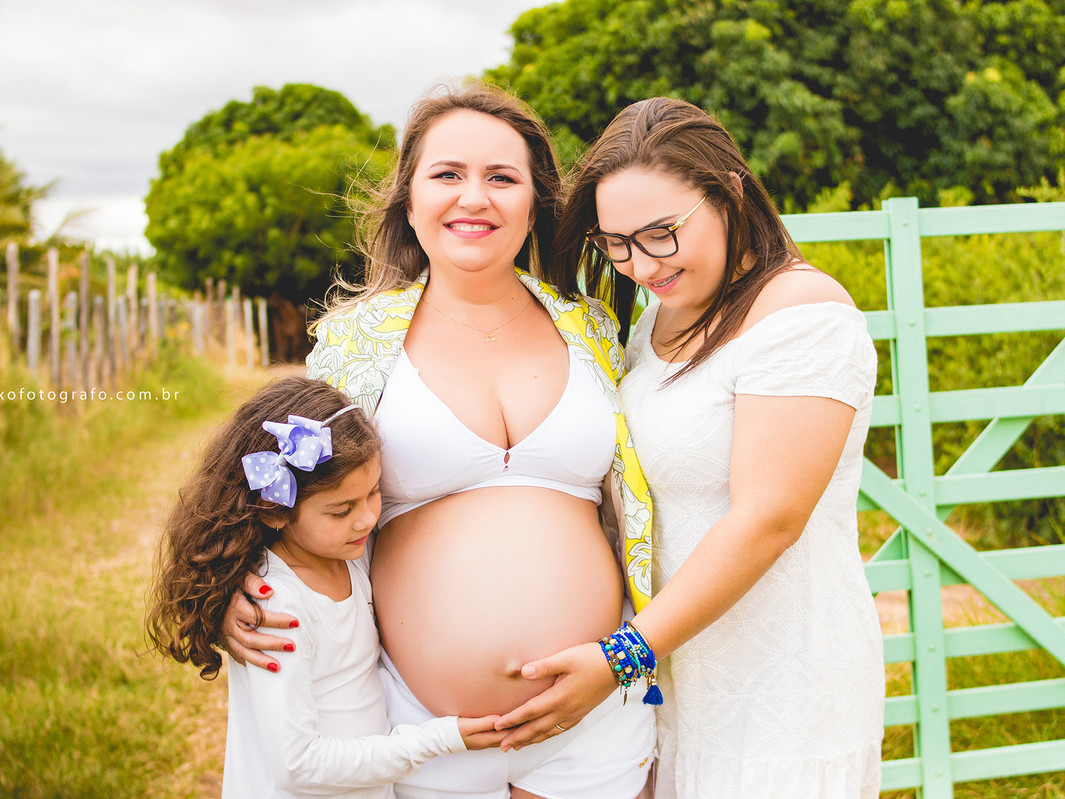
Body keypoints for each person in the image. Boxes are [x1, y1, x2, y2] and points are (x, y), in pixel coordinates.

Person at [220, 83, 657, 799]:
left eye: (502, 177)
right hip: (417, 729)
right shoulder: (355, 341)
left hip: (596, 717)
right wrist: (233, 583)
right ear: (409, 199)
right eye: (448, 173)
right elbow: (281, 488)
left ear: (535, 204)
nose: (473, 197)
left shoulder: (593, 331)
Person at [495, 97, 886, 798]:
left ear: (730, 191)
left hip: (781, 691)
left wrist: (621, 657)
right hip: (678, 681)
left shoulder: (801, 315)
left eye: (660, 234)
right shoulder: (659, 318)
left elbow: (768, 519)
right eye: (616, 243)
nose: (640, 264)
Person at [146, 376, 504, 798]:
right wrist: (438, 740)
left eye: (373, 493)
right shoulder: (276, 607)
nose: (366, 519)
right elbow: (298, 765)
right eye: (340, 511)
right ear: (273, 511)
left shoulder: (348, 556)